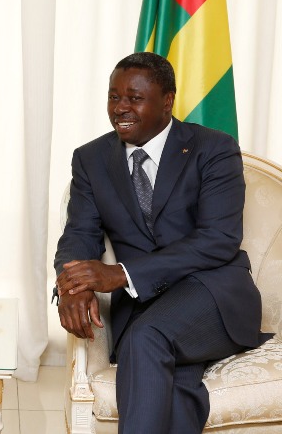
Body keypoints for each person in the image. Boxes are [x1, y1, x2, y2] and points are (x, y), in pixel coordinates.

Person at [54, 52, 270, 433]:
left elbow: (218, 239)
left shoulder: (213, 149)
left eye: (134, 98)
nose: (121, 108)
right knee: (173, 388)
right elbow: (79, 234)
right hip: (145, 308)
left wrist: (121, 274)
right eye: (114, 97)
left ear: (167, 101)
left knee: (145, 339)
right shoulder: (91, 159)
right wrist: (72, 285)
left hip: (214, 296)